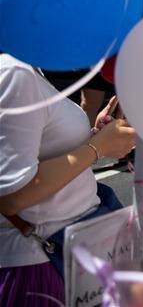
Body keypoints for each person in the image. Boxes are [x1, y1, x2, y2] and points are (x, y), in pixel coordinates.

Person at [0, 55, 135, 305]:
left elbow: (39, 151)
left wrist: (97, 139)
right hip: (43, 264)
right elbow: (12, 196)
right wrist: (98, 146)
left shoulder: (23, 68)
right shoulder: (14, 72)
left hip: (59, 253)